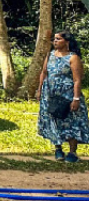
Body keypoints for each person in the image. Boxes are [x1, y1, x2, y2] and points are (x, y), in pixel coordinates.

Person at [36, 31, 89, 162]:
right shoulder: (50, 56)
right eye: (54, 39)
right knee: (52, 121)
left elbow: (77, 80)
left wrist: (76, 99)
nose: (55, 41)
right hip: (50, 94)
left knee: (72, 121)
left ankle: (72, 152)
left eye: (58, 39)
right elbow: (44, 73)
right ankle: (58, 149)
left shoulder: (73, 58)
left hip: (68, 95)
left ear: (67, 42)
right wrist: (39, 89)